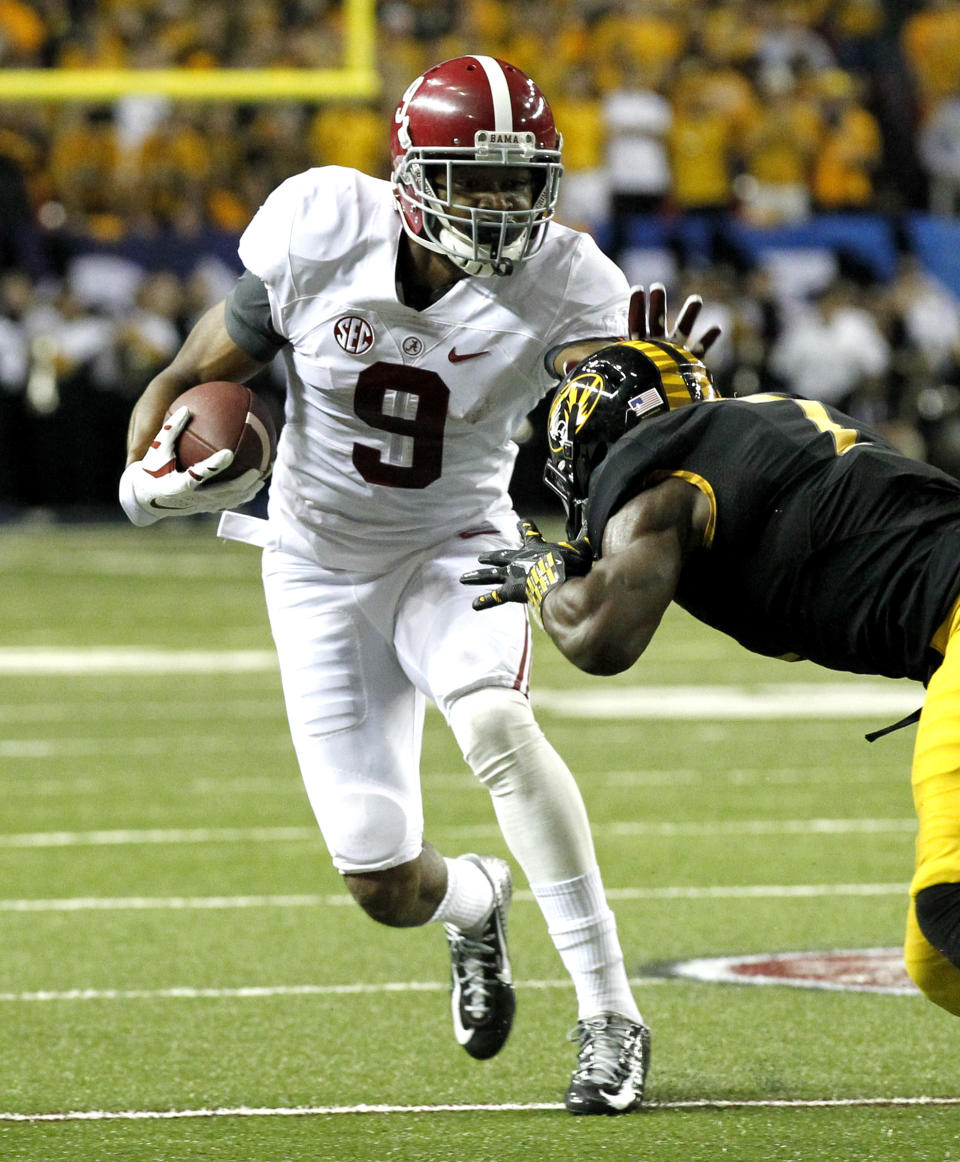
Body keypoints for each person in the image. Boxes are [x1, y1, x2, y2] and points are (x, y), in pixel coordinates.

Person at [116, 57, 719, 1114]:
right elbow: (184, 379)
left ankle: (610, 1014)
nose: (497, 208)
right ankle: (476, 900)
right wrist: (144, 482)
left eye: (515, 181)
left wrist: (655, 399)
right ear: (409, 176)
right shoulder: (319, 228)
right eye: (471, 181)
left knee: (495, 722)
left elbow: (622, 414)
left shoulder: (568, 279)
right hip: (314, 565)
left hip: (459, 547)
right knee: (383, 884)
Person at [461, 337, 960, 1021]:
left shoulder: (665, 491)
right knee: (937, 962)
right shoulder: (758, 429)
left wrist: (546, 577)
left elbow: (599, 638)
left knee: (951, 906)